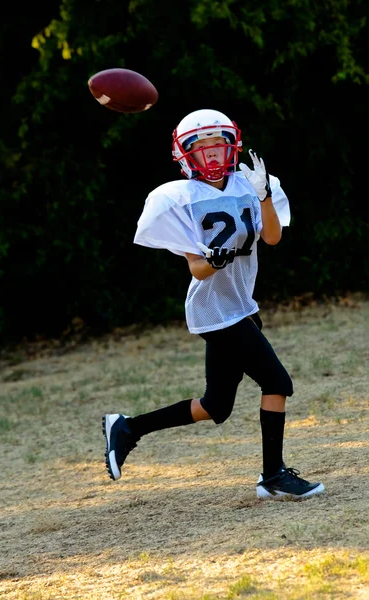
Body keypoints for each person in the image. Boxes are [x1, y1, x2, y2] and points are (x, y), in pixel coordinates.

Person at [102, 109, 324, 499]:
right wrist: (215, 259)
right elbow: (199, 269)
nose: (213, 156)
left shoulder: (250, 184)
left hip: (239, 304)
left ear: (232, 145)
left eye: (218, 146)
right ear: (186, 155)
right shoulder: (180, 198)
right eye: (203, 149)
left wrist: (264, 196)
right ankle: (273, 477)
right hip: (213, 309)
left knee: (216, 405)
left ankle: (127, 428)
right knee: (277, 383)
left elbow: (272, 238)